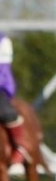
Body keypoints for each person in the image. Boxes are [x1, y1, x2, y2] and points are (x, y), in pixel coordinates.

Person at [0, 32, 26, 162]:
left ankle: (19, 147)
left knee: (6, 112)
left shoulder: (3, 41)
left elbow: (3, 68)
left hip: (1, 85)